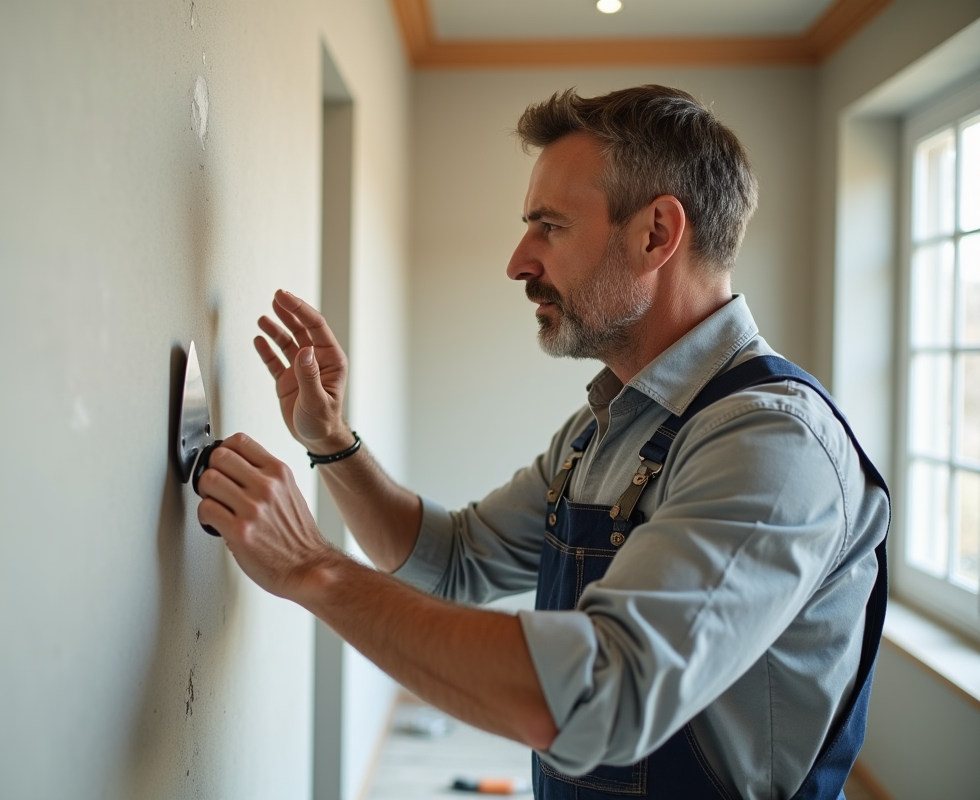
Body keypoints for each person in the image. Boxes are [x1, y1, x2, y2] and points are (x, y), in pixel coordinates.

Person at [194, 85, 890, 800]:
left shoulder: (774, 444)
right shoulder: (603, 431)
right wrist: (332, 441)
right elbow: (455, 560)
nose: (518, 263)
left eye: (548, 227)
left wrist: (314, 568)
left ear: (656, 234)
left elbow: (602, 693)